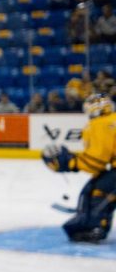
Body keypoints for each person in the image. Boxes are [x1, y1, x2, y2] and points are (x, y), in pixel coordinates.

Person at [42, 94, 116, 243]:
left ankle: (94, 228)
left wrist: (71, 163)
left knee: (98, 191)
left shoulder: (101, 123)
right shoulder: (112, 120)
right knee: (96, 184)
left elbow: (96, 161)